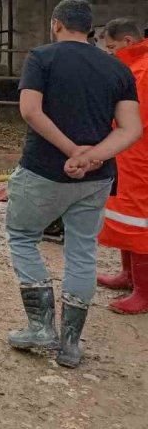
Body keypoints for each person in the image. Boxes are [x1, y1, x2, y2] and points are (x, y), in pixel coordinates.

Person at [5, 0, 141, 368]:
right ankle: (70, 344)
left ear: (56, 24)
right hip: (97, 178)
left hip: (43, 171)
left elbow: (30, 110)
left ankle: (40, 327)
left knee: (23, 236)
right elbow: (131, 129)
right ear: (90, 29)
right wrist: (93, 156)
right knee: (82, 252)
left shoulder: (41, 58)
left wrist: (71, 151)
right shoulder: (117, 67)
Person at [97, 18, 148, 314]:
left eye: (112, 47)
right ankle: (128, 275)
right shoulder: (132, 67)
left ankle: (144, 291)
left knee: (140, 221)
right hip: (125, 155)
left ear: (127, 41)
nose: (110, 53)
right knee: (123, 215)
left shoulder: (143, 70)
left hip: (140, 157)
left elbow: (135, 118)